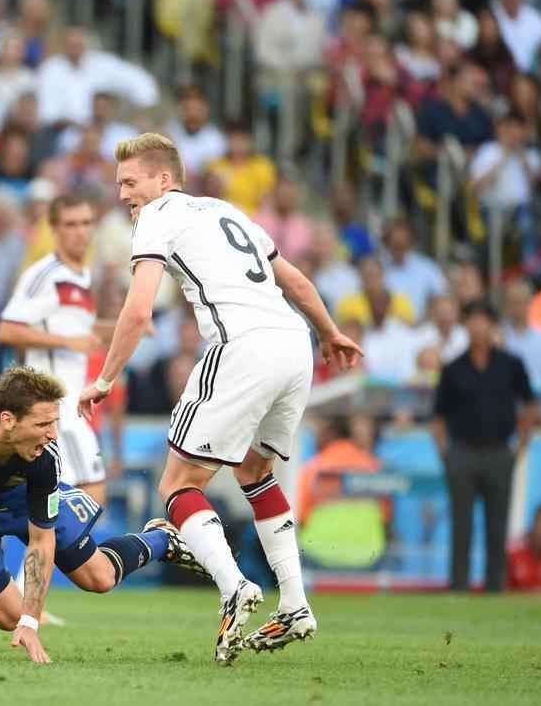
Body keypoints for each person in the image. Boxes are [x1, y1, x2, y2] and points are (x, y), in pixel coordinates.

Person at [77, 133, 363, 664]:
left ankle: (234, 585)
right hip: (292, 344)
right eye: (118, 185)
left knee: (177, 484)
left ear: (164, 180)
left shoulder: (158, 215)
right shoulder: (225, 211)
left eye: (130, 182)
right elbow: (296, 282)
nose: (122, 195)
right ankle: (297, 604)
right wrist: (328, 332)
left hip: (242, 346)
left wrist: (105, 379)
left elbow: (138, 311)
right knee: (256, 472)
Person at [0, 366, 207, 664]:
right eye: (43, 424)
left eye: (55, 423)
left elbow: (41, 539)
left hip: (15, 499)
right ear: (7, 420)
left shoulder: (44, 454)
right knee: (6, 617)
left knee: (99, 579)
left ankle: (163, 539)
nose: (53, 434)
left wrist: (32, 622)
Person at [0, 195, 107, 505]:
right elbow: (8, 328)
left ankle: (53, 553)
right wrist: (69, 342)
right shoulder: (45, 275)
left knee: (79, 502)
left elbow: (76, 330)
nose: (80, 232)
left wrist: (126, 328)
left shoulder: (82, 276)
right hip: (55, 406)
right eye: (71, 225)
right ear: (55, 230)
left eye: (86, 224)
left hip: (73, 404)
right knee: (87, 498)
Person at [431, 300, 537, 593]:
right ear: (466, 326)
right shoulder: (453, 369)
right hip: (462, 452)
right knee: (461, 525)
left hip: (499, 451)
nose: (478, 326)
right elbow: (438, 416)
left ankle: (494, 587)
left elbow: (530, 405)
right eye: (473, 320)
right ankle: (459, 587)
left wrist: (521, 445)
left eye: (483, 320)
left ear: (493, 326)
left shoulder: (511, 365)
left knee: (497, 524)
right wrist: (447, 454)